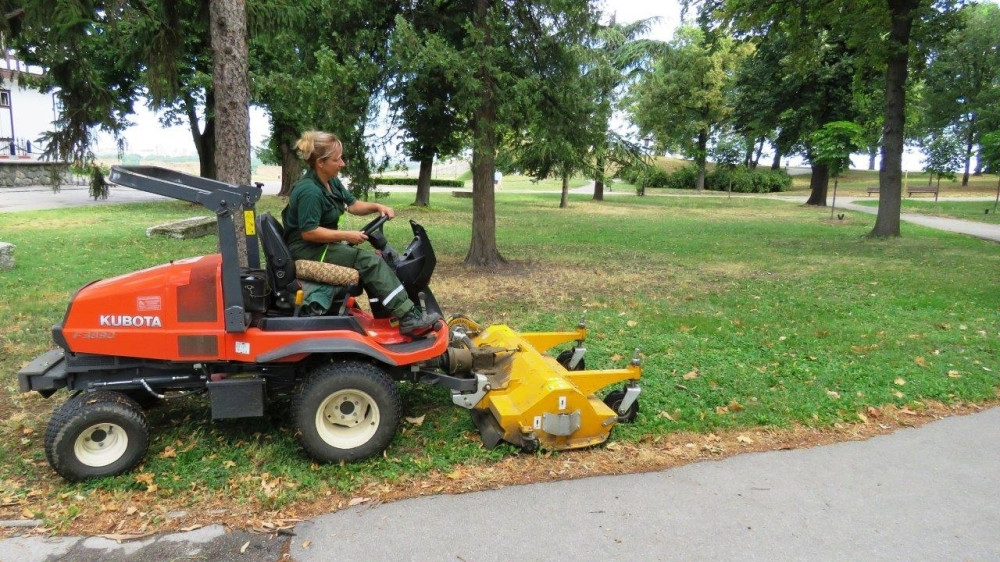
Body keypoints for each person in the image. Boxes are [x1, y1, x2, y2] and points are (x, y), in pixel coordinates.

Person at [281, 130, 440, 335]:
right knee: (370, 262)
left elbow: (354, 205)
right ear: (321, 162)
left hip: (320, 245)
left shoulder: (331, 182)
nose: (342, 164)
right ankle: (408, 316)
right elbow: (309, 232)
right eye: (337, 160)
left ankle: (391, 317)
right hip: (307, 249)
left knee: (373, 261)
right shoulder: (309, 191)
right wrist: (347, 235)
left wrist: (377, 207)